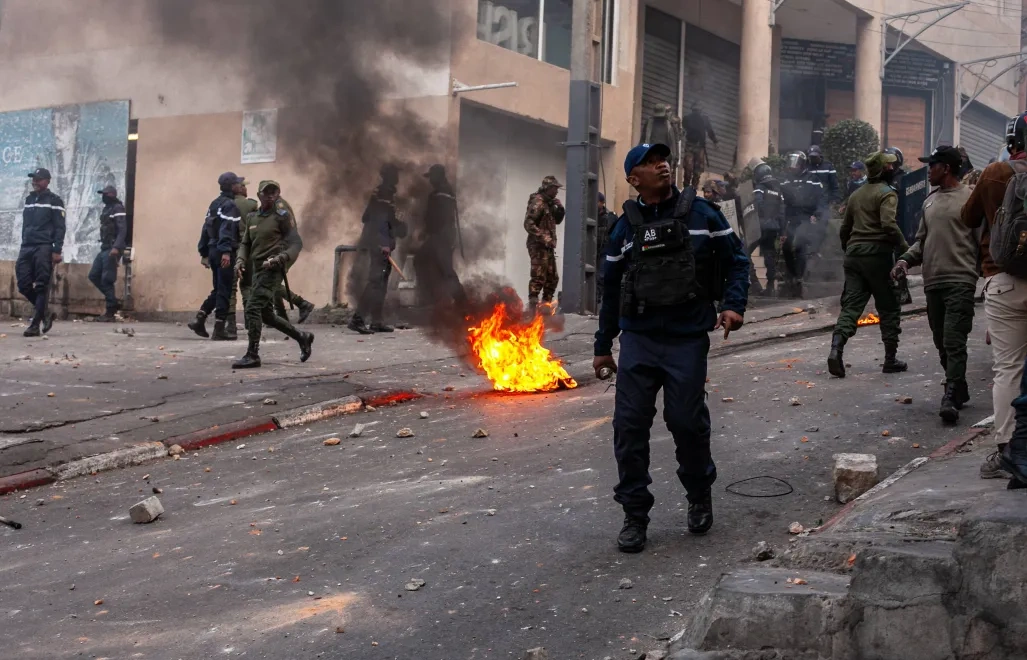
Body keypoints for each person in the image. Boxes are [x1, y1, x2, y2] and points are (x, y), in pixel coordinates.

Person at [593, 143, 750, 553]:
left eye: (662, 159)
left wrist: (733, 305)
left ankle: (699, 494)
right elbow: (610, 290)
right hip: (639, 342)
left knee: (686, 422)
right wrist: (602, 346)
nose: (660, 165)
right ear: (633, 178)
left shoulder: (702, 214)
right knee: (628, 429)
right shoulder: (623, 228)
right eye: (648, 162)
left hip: (686, 339)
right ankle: (634, 514)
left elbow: (737, 261)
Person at [961, 111, 1027, 480]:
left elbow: (967, 218)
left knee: (1009, 369)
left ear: (1012, 141)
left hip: (1002, 279)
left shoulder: (995, 173)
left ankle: (1007, 451)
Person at [891, 147, 976, 423]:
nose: (928, 170)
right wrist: (904, 261)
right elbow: (921, 241)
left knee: (954, 339)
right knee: (941, 341)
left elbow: (983, 239)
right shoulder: (929, 202)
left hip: (961, 280)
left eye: (932, 165)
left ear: (947, 168)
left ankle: (950, 394)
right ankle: (958, 386)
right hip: (933, 283)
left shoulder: (971, 199)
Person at [828, 151, 908, 378]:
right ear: (885, 170)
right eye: (890, 167)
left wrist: (849, 250)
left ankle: (836, 349)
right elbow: (889, 225)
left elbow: (845, 230)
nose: (893, 170)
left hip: (854, 255)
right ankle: (890, 360)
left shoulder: (856, 195)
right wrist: (905, 248)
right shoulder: (887, 194)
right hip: (878, 256)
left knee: (851, 306)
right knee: (889, 306)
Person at [232, 181, 314, 369]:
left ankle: (252, 354)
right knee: (267, 315)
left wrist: (282, 257)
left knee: (252, 307)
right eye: (266, 192)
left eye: (273, 192)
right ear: (259, 195)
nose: (270, 195)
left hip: (273, 270)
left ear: (277, 194)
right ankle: (302, 337)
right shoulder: (252, 217)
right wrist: (240, 261)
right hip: (256, 270)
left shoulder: (281, 218)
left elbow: (296, 243)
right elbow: (245, 244)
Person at [348, 164, 403, 335]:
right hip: (379, 244)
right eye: (395, 174)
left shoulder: (384, 193)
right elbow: (378, 220)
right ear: (388, 176)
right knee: (375, 281)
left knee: (381, 283)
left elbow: (367, 217)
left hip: (380, 242)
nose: (397, 178)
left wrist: (399, 226)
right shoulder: (384, 193)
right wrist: (384, 243)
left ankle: (376, 321)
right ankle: (358, 319)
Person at [189, 172, 243, 340]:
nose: (240, 186)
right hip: (223, 252)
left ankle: (200, 318)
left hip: (213, 250)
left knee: (219, 288)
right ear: (232, 186)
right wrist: (226, 251)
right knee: (225, 289)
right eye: (238, 184)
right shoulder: (230, 205)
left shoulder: (214, 204)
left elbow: (206, 228)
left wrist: (203, 252)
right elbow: (227, 229)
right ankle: (219, 329)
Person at [17, 168, 66, 337]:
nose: (35, 182)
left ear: (47, 181)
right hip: (27, 246)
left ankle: (35, 325)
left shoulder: (55, 201)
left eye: (38, 179)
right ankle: (45, 312)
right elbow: (25, 224)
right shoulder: (29, 199)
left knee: (41, 286)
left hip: (43, 247)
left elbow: (60, 227)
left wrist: (56, 250)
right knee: (23, 285)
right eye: (34, 179)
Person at [415, 164, 467, 309]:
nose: (430, 180)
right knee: (428, 263)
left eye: (432, 177)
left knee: (445, 271)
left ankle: (461, 302)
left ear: (438, 176)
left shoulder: (442, 193)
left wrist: (431, 232)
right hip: (439, 236)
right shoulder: (442, 191)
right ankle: (435, 299)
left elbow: (441, 217)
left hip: (441, 237)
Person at [780, 150, 828, 297]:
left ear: (802, 164)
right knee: (787, 247)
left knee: (800, 245)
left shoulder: (812, 179)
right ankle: (793, 274)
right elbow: (782, 202)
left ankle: (799, 278)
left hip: (807, 217)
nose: (792, 167)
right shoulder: (786, 180)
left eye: (796, 164)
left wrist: (817, 214)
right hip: (792, 217)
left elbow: (821, 199)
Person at [523, 175, 565, 311]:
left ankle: (546, 306)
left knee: (552, 277)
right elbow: (528, 224)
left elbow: (556, 221)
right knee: (538, 277)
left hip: (548, 246)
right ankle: (532, 308)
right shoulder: (538, 202)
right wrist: (544, 237)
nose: (557, 191)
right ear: (548, 188)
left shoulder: (550, 203)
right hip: (537, 245)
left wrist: (560, 210)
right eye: (555, 188)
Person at [88, 185, 127, 322]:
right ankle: (113, 301)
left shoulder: (118, 208)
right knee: (93, 275)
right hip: (104, 248)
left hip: (112, 248)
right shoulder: (107, 209)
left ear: (112, 194)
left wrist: (116, 247)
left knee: (107, 279)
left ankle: (110, 311)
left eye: (106, 194)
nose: (103, 197)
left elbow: (122, 230)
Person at [749, 163, 785, 296]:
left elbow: (756, 205)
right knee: (769, 255)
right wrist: (782, 231)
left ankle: (754, 284)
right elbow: (782, 212)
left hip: (760, 227)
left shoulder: (760, 187)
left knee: (744, 252)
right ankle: (770, 287)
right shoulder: (777, 190)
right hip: (773, 228)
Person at [641, 104, 682, 186]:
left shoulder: (670, 124)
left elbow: (675, 142)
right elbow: (643, 140)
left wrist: (676, 156)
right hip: (651, 156)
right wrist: (641, 152)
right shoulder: (649, 123)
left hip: (665, 158)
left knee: (665, 182)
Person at [682, 103, 718, 188]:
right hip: (692, 146)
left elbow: (709, 131)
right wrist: (715, 142)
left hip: (698, 147)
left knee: (695, 169)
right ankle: (688, 187)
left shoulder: (703, 119)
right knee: (690, 169)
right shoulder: (689, 118)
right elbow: (683, 130)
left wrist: (715, 141)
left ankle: (692, 187)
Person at [597, 192, 618, 308]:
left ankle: (600, 304)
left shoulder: (610, 218)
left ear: (602, 203)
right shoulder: (587, 216)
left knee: (601, 277)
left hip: (604, 251)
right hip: (590, 252)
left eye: (597, 202)